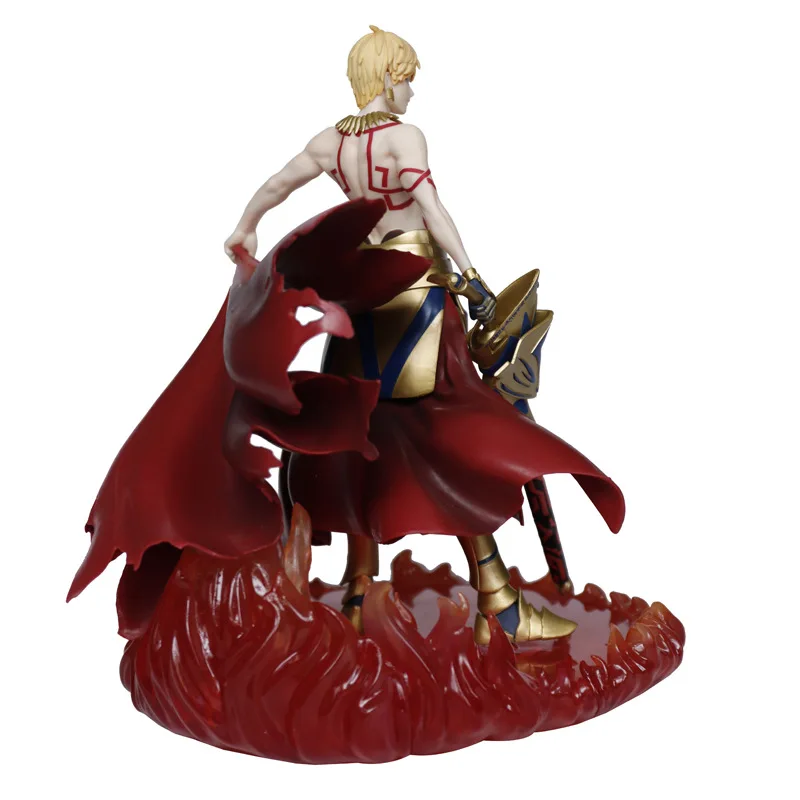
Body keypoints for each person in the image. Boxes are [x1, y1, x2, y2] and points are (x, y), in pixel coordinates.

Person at [223, 26, 624, 643]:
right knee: (451, 434)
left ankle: (358, 591)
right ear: (387, 78)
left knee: (361, 435)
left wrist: (245, 227)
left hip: (360, 300)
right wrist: (474, 278)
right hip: (417, 298)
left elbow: (278, 184)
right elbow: (430, 209)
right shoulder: (404, 137)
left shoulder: (332, 143)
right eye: (407, 77)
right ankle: (499, 604)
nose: (411, 90)